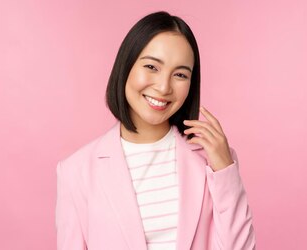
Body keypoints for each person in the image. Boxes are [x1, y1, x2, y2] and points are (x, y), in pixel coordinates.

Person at [55, 11, 256, 250]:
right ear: (126, 66)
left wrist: (225, 171)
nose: (163, 87)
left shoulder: (212, 162)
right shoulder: (75, 171)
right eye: (152, 66)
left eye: (180, 74)